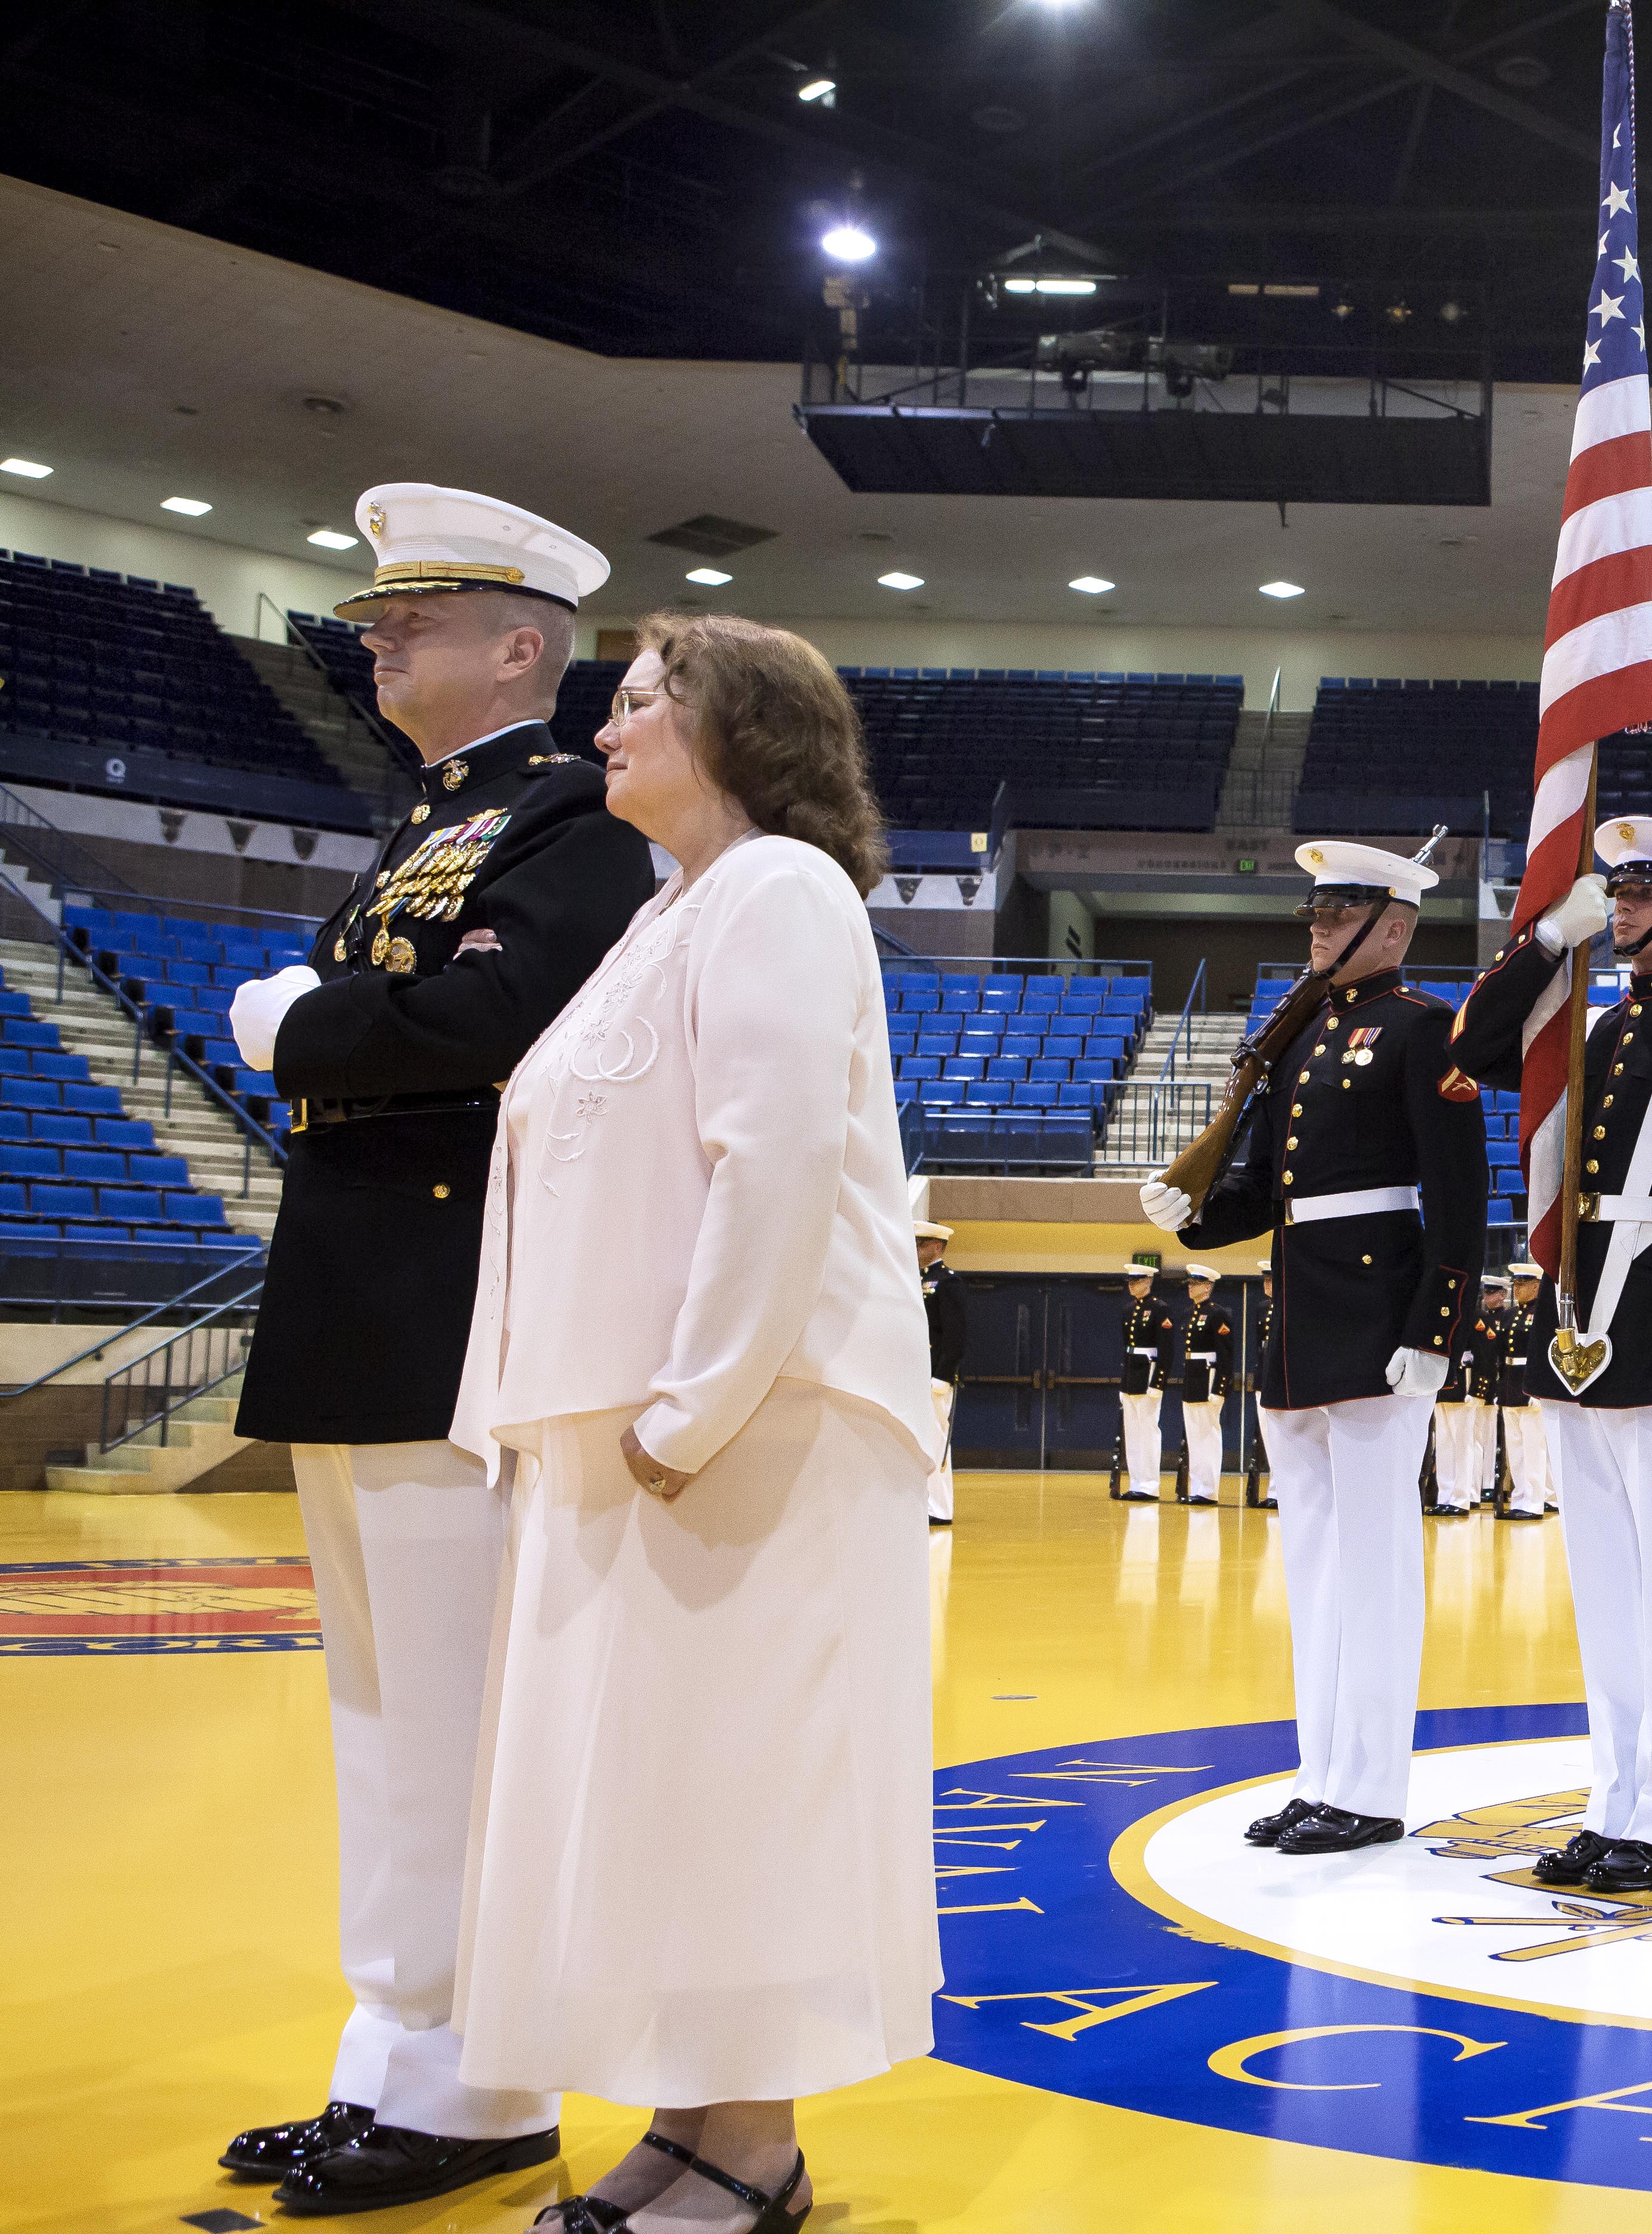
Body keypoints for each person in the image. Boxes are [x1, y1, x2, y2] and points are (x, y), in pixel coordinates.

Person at [443, 609, 938, 2234]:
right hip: (644, 1430)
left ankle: (756, 2147)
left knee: (739, 1789)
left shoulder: (782, 893)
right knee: (662, 1795)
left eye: (643, 701)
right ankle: (688, 2119)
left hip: (748, 1432)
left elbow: (778, 1159)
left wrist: (692, 1408)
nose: (607, 731)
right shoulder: (678, 910)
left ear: (741, 729)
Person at [217, 485, 654, 2213]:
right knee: (381, 1719)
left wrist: (296, 1023)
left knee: (459, 1727)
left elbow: (497, 1019)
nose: (378, 635)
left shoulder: (577, 827)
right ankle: (389, 2057)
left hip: (456, 1312)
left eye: (417, 616)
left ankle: (483, 2089)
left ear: (520, 647)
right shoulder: (430, 828)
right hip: (362, 1307)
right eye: (382, 616)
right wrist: (331, 1025)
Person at [1448, 814, 1652, 1893]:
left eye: (1646, 890)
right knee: (1601, 1580)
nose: (1625, 904)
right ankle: (1614, 1796)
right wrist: (1545, 944)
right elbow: (1476, 1048)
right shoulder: (1587, 1024)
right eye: (1620, 888)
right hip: (1581, 1310)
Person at [1140, 839, 1488, 1853]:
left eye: (1339, 910)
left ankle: (1372, 1788)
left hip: (1383, 1322)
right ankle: (1321, 1771)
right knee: (1314, 1565)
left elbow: (1459, 1200)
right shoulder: (1294, 1038)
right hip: (1298, 1320)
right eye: (1315, 910)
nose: (1318, 925)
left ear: (1393, 923)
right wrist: (1190, 1217)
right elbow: (1260, 1187)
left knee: (1376, 1564)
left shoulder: (1427, 1031)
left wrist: (1438, 1326)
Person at [1490, 1263, 1558, 1517]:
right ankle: (1521, 1496)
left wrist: (1538, 1389)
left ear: (1537, 1286)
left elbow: (1544, 1353)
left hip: (1530, 1384)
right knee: (1516, 1444)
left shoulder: (1544, 1314)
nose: (1517, 1289)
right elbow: (1499, 1355)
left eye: (1523, 1284)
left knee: (1534, 1445)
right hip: (1510, 1384)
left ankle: (1534, 1501)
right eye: (1516, 1284)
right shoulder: (1508, 1316)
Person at [1108, 1264, 1171, 1501]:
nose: (1131, 1286)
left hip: (1148, 1372)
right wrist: (1124, 1385)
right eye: (1130, 1282)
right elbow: (1127, 1349)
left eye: (1136, 1281)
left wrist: (1159, 1382)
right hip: (1132, 1375)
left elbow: (1166, 1350)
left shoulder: (1159, 1309)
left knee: (1147, 1430)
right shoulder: (1128, 1310)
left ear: (1148, 1282)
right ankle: (1137, 1482)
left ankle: (1150, 1485)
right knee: (1133, 1432)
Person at [1429, 1297, 1494, 1515]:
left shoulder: (1474, 1318)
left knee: (1463, 1445)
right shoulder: (1438, 1314)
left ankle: (1461, 1498)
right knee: (1445, 1445)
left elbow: (1485, 1356)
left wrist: (1478, 1391)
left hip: (1464, 1387)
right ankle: (1445, 1496)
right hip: (1442, 1387)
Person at [921, 1219, 965, 1526]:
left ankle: (940, 1508)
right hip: (918, 1372)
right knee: (922, 1440)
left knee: (937, 1441)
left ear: (937, 1246)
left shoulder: (948, 1282)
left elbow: (956, 1334)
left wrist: (944, 1375)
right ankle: (925, 1503)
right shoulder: (919, 1279)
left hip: (935, 1374)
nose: (916, 1250)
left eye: (921, 1244)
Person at [1175, 1264, 1231, 1504]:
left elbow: (1226, 1354)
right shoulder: (1190, 1313)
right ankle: (1197, 1488)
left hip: (1208, 1376)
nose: (1191, 1287)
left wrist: (1220, 1388)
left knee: (1208, 1433)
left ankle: (1208, 1490)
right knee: (1194, 1434)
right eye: (1190, 1283)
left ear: (1208, 1286)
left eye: (1195, 1283)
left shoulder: (1218, 1314)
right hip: (1192, 1375)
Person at [1242, 1268, 1277, 1508]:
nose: (1267, 1284)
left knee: (1282, 1437)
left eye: (1271, 1279)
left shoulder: (1291, 1304)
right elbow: (1259, 1346)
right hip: (1265, 1376)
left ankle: (1280, 1489)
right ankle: (1274, 1490)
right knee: (1267, 1433)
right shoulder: (1262, 1308)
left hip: (1280, 1377)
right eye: (1265, 1279)